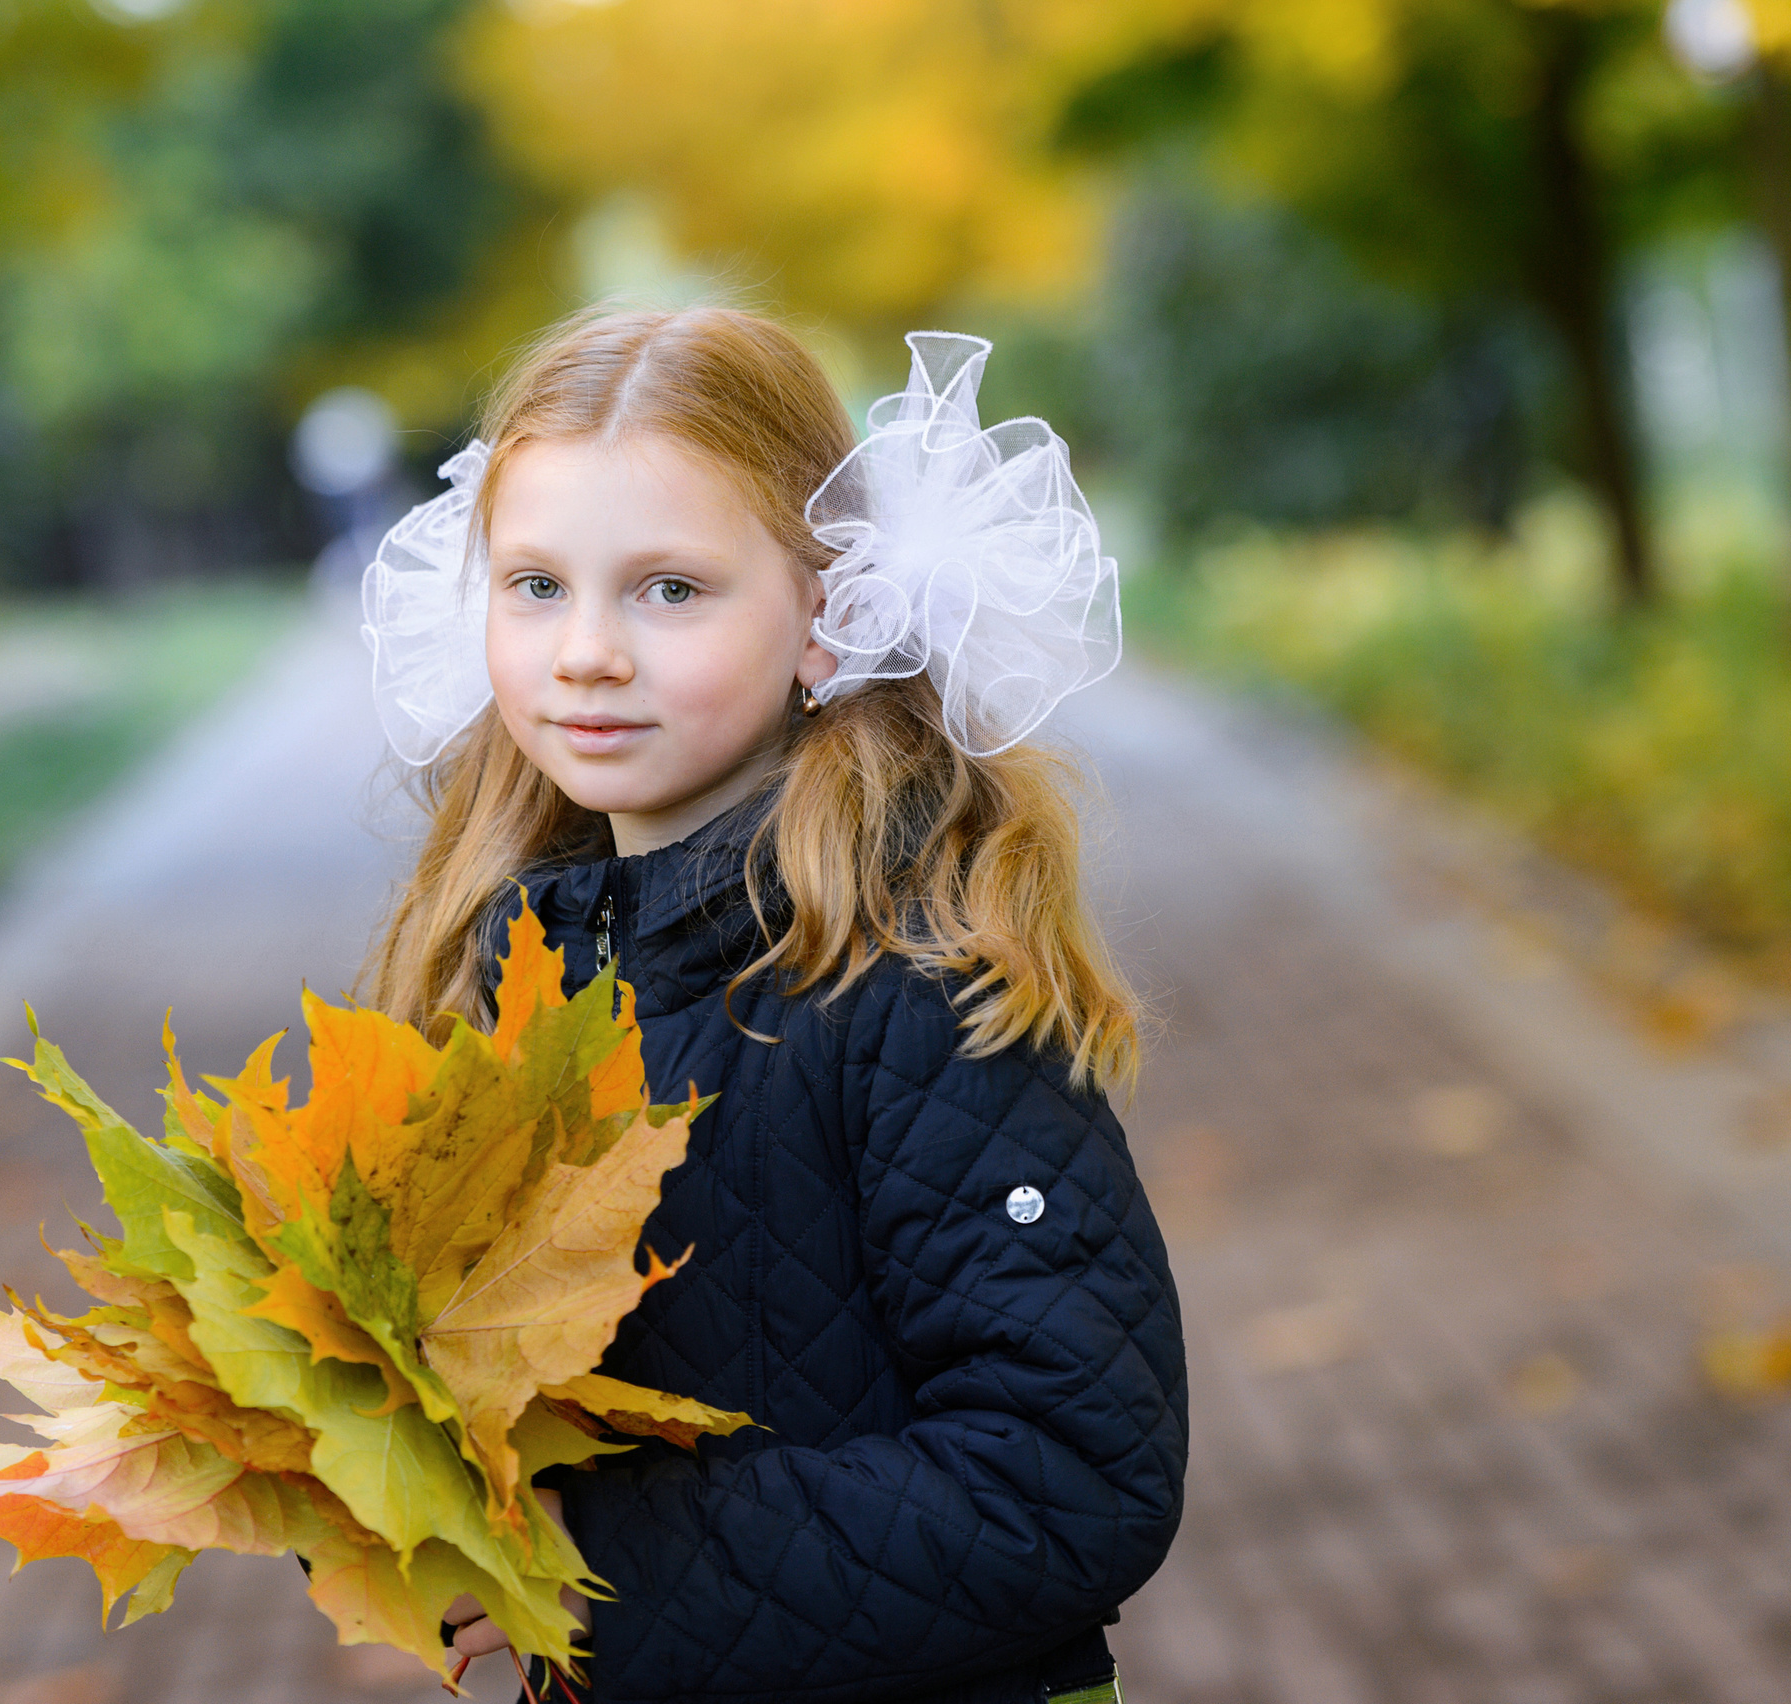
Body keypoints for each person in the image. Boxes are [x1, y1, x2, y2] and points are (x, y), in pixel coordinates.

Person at [355, 305, 1185, 1704]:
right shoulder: (510, 979)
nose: (589, 652)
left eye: (670, 589)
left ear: (824, 613)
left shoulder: (913, 981)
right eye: (537, 585)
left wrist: (607, 1564)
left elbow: (1073, 1474)